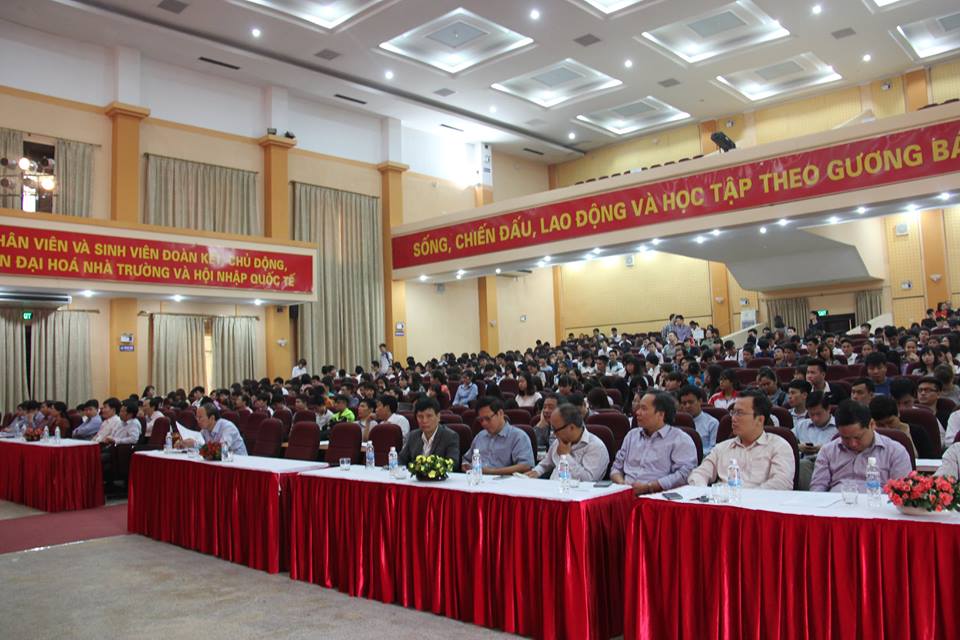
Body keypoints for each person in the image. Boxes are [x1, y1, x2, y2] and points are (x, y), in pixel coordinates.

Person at [687, 390, 795, 490]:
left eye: (739, 413)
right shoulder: (722, 448)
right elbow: (698, 474)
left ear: (760, 419)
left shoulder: (779, 446)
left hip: (762, 502)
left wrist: (743, 498)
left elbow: (782, 483)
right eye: (733, 412)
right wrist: (703, 492)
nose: (733, 418)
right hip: (723, 501)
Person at [810, 400, 912, 492]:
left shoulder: (895, 451)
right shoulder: (827, 451)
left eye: (858, 437)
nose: (852, 444)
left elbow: (902, 493)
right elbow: (817, 490)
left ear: (872, 425)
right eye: (845, 438)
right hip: (836, 503)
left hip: (876, 503)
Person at [610, 391, 697, 495]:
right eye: (639, 408)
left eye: (643, 409)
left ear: (661, 414)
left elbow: (684, 474)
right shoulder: (632, 435)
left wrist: (650, 487)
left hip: (658, 496)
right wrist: (622, 484)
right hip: (624, 492)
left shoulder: (680, 439)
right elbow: (616, 467)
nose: (637, 412)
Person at [527, 402, 608, 482]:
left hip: (576, 489)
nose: (554, 434)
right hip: (553, 486)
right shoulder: (558, 441)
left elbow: (588, 479)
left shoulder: (595, 447)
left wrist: (565, 456)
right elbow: (545, 464)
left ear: (571, 427)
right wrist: (536, 472)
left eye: (556, 430)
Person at [461, 397, 534, 476]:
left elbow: (526, 466)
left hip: (504, 481)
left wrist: (491, 471)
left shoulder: (518, 436)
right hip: (478, 479)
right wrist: (465, 465)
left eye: (487, 418)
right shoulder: (480, 436)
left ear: (500, 413)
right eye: (481, 420)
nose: (484, 423)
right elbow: (467, 459)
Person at [793, 391, 838, 490]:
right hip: (806, 464)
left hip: (830, 465)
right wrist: (798, 447)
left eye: (818, 414)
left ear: (829, 409)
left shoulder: (839, 427)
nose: (815, 418)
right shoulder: (802, 425)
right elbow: (786, 441)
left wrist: (824, 449)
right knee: (801, 465)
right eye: (811, 414)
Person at [397, 397, 459, 467]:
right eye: (420, 416)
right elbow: (401, 459)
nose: (424, 421)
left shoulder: (450, 436)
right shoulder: (413, 435)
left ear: (438, 417)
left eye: (429, 416)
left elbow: (452, 463)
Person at [869, 395, 933, 459]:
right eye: (880, 425)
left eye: (890, 422)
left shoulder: (918, 432)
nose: (887, 428)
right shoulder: (869, 435)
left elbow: (928, 460)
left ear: (898, 414)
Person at [177, 403, 247, 456]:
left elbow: (222, 450)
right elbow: (200, 446)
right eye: (196, 417)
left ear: (212, 418)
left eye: (200, 417)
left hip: (239, 463)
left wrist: (194, 444)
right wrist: (185, 444)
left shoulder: (228, 427)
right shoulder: (205, 430)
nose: (197, 420)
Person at [678, 385, 718, 454]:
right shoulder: (677, 423)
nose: (687, 406)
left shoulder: (712, 423)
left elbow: (714, 449)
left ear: (700, 401)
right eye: (684, 403)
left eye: (691, 402)